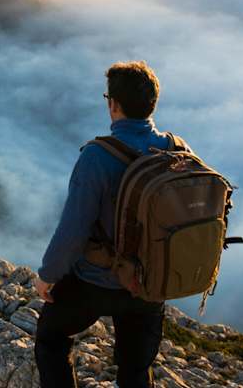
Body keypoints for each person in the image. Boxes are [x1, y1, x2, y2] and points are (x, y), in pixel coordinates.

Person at [34, 61, 176, 388]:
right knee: (136, 369)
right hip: (150, 286)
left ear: (113, 104)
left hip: (97, 283)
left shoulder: (97, 157)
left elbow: (74, 228)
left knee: (51, 340)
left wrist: (47, 276)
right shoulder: (175, 150)